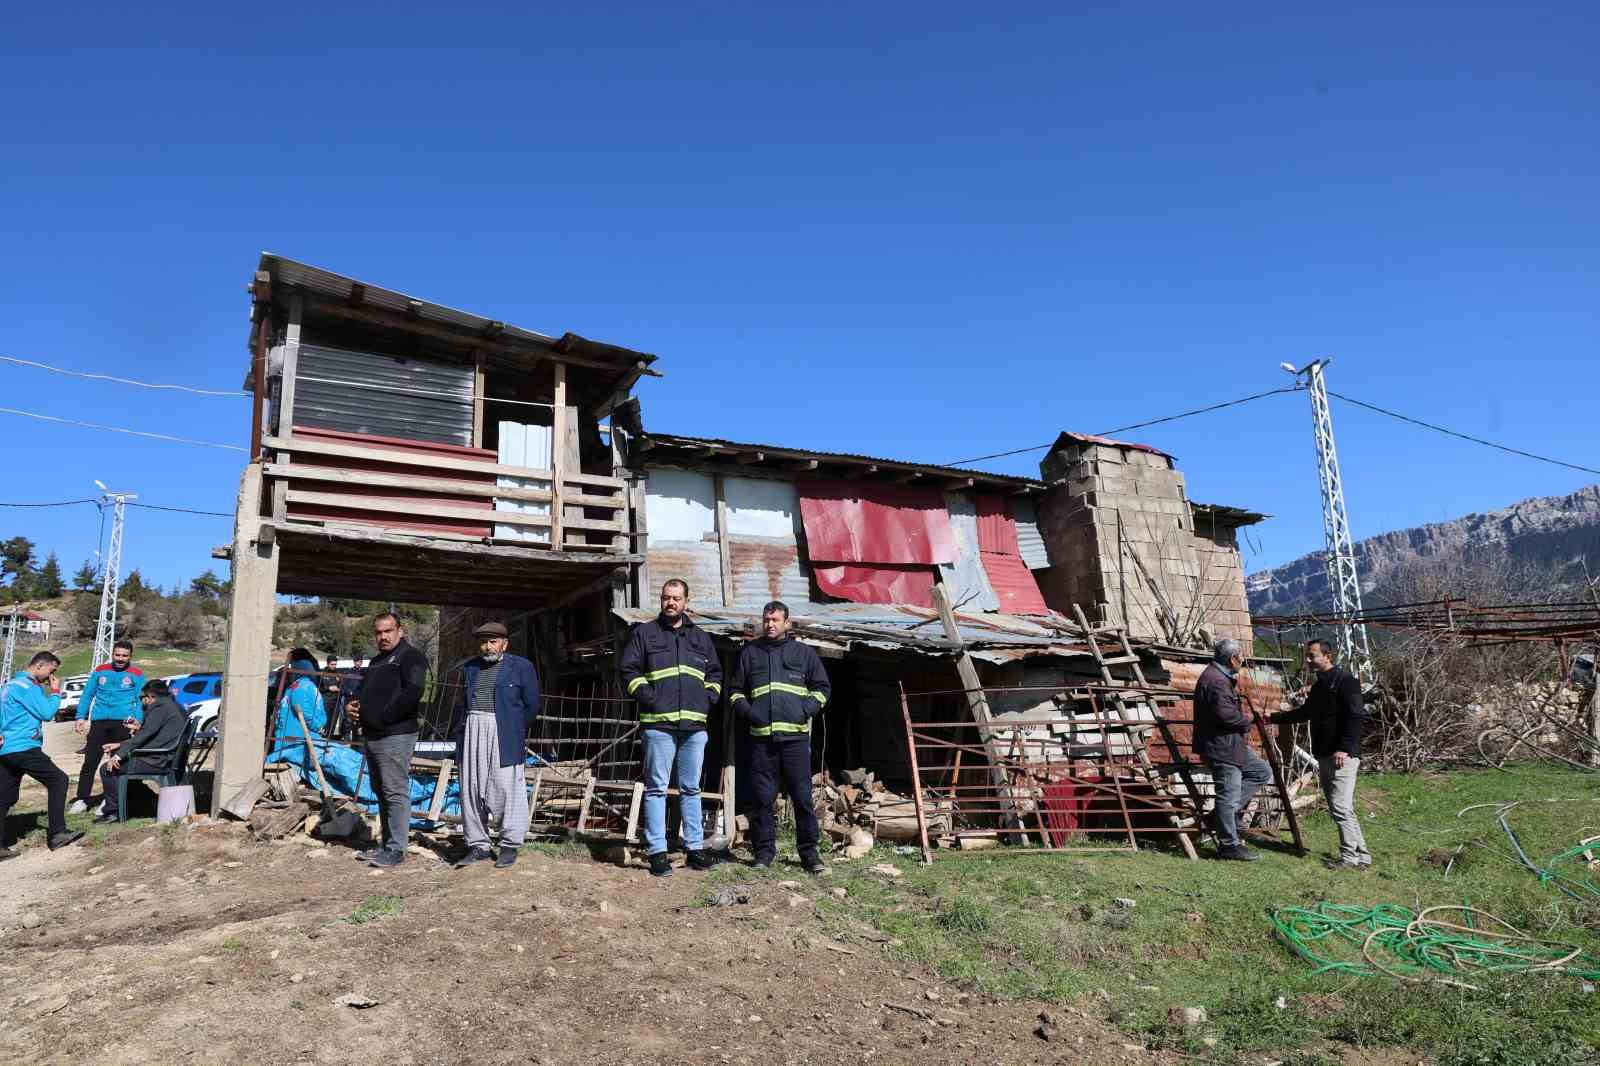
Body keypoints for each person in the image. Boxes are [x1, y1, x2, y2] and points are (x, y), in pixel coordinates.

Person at [619, 579, 723, 877]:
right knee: (656, 789)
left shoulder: (701, 638)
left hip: (694, 727)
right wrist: (651, 698)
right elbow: (628, 670)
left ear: (686, 602)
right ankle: (657, 852)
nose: (671, 603)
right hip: (659, 725)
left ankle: (694, 849)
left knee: (691, 789)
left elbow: (715, 674)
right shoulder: (645, 633)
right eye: (666, 597)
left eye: (676, 598)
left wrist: (708, 699)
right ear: (661, 600)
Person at [727, 600, 831, 874]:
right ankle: (763, 854)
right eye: (766, 620)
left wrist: (805, 710)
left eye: (775, 620)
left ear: (787, 623)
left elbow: (822, 688)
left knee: (802, 798)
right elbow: (735, 692)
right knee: (762, 800)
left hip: (795, 740)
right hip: (762, 741)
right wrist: (750, 713)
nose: (770, 624)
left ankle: (810, 856)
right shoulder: (751, 653)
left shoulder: (804, 653)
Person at [1270, 639, 1372, 869]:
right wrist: (1273, 718)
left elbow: (1355, 716)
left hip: (1342, 755)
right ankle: (1362, 856)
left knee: (1340, 807)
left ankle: (1349, 858)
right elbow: (1305, 713)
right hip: (1324, 753)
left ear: (1328, 656)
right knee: (1342, 808)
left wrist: (1344, 748)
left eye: (1312, 656)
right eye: (1307, 656)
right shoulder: (1319, 687)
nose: (1308, 660)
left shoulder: (1346, 681)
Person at [451, 622, 540, 870]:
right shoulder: (470, 667)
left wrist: (513, 727)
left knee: (505, 786)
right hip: (473, 728)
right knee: (471, 787)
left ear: (504, 644)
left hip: (504, 731)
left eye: (493, 642)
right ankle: (478, 845)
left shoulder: (521, 667)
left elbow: (532, 705)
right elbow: (463, 703)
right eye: (483, 642)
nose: (488, 647)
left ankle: (509, 845)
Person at [346, 613, 429, 868]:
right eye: (378, 632)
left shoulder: (410, 656)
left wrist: (384, 718)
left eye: (388, 631)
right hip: (373, 734)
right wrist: (351, 706)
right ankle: (386, 845)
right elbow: (361, 692)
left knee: (394, 790)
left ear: (400, 631)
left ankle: (396, 849)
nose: (383, 636)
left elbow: (414, 691)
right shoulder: (377, 661)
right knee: (381, 790)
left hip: (395, 734)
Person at [1192, 637, 1271, 862]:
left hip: (1230, 744)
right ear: (1233, 659)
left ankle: (1221, 815)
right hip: (1222, 747)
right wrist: (1250, 719)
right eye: (1241, 657)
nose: (1242, 661)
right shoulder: (1216, 681)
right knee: (1228, 795)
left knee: (1261, 772)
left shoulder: (1218, 677)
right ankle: (1229, 845)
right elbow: (1226, 715)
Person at [0, 651, 84, 856]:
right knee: (59, 780)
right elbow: (46, 713)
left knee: (4, 796)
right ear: (39, 666)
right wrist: (55, 692)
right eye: (50, 671)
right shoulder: (28, 686)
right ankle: (57, 833)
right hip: (23, 746)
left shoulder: (9, 685)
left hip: (6, 748)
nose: (51, 676)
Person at [94, 679, 189, 824]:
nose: (141, 701)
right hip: (166, 756)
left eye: (141, 698)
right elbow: (153, 734)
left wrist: (118, 756)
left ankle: (113, 812)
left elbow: (145, 736)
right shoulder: (172, 705)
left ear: (150, 696)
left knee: (107, 769)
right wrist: (119, 745)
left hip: (158, 759)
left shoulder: (160, 708)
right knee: (121, 766)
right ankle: (146, 803)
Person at [70, 639, 144, 813]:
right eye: (117, 655)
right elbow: (87, 694)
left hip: (123, 723)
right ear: (112, 654)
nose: (120, 658)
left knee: (117, 762)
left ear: (130, 656)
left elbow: (140, 700)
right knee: (90, 761)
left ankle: (111, 800)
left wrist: (137, 721)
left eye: (124, 655)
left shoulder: (137, 674)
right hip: (99, 722)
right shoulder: (100, 671)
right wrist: (80, 716)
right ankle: (82, 799)